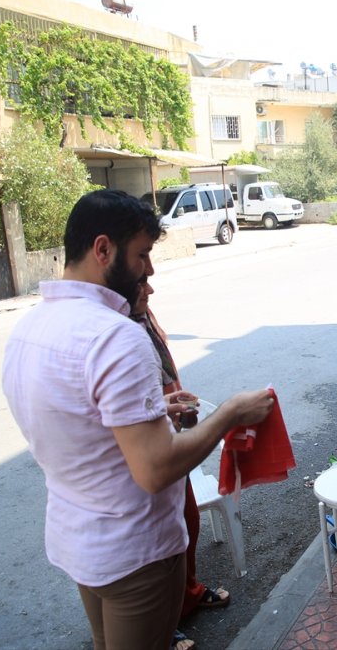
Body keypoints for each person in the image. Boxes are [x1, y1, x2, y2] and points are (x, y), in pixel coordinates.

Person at [2, 189, 274, 650]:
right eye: (143, 254)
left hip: (78, 542)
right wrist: (230, 413)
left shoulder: (30, 328)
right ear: (102, 249)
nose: (149, 269)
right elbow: (155, 469)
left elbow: (79, 425)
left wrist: (149, 416)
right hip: (134, 554)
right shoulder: (117, 337)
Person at [129, 278, 231, 650]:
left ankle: (187, 594)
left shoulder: (142, 318)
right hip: (148, 452)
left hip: (168, 430)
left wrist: (173, 405)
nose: (150, 286)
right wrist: (230, 415)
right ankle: (163, 624)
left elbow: (162, 373)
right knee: (157, 544)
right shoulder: (116, 336)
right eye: (141, 273)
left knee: (186, 520)